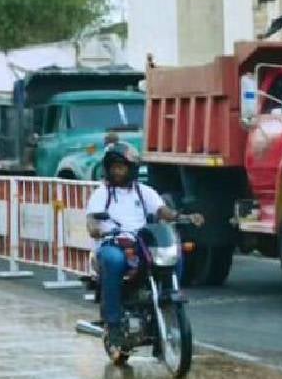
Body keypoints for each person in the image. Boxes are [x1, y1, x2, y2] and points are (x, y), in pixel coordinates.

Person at [85, 142, 202, 360]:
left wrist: (181, 217)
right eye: (115, 167)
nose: (118, 171)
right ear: (108, 168)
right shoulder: (102, 193)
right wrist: (95, 229)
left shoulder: (144, 191)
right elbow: (92, 218)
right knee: (113, 260)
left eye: (123, 167)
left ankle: (166, 300)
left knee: (172, 257)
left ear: (132, 169)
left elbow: (161, 210)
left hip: (141, 243)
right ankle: (114, 323)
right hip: (113, 242)